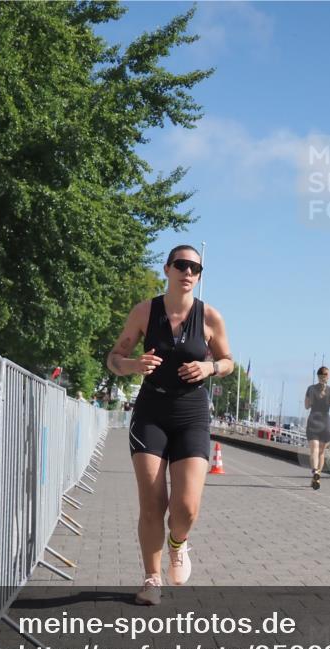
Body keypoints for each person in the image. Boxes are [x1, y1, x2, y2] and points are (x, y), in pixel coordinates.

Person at [107, 245, 233, 605]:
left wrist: (210, 367)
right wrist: (132, 365)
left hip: (192, 413)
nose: (188, 271)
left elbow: (228, 361)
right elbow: (114, 357)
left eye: (195, 267)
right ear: (167, 269)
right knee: (152, 503)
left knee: (186, 508)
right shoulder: (146, 311)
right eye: (182, 264)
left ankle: (178, 542)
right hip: (151, 412)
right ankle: (151, 578)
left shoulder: (210, 317)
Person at [304, 366, 330, 490]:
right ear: (328, 377)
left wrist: (315, 403)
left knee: (314, 451)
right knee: (321, 453)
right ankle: (317, 474)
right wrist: (328, 404)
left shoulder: (310, 389)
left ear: (318, 376)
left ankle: (315, 472)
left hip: (313, 421)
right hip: (326, 423)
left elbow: (306, 406)